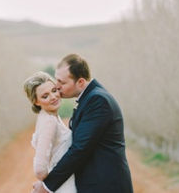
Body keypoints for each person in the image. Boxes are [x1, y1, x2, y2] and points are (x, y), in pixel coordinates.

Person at [32, 54, 133, 193]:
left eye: (62, 82)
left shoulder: (98, 100)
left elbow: (80, 149)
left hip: (105, 186)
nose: (57, 86)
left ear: (80, 82)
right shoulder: (90, 98)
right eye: (57, 80)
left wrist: (47, 186)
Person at [23, 71, 77, 193]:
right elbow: (40, 169)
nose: (53, 97)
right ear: (36, 102)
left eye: (54, 90)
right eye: (45, 96)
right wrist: (48, 184)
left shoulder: (49, 117)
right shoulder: (49, 122)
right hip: (64, 187)